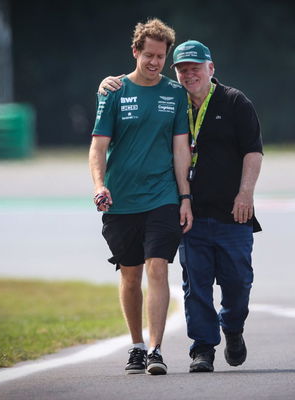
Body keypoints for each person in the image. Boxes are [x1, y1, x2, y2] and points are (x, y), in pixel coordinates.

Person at [98, 40, 263, 373]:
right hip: (187, 212)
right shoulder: (173, 100)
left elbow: (253, 152)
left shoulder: (235, 102)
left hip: (233, 212)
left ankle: (232, 327)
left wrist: (245, 193)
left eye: (196, 68)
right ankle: (202, 348)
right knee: (195, 286)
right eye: (183, 69)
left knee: (237, 284)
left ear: (211, 69)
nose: (190, 75)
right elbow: (138, 91)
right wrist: (106, 84)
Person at [89, 19, 193, 376]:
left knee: (158, 267)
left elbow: (182, 149)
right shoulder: (113, 91)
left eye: (160, 56)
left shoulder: (175, 94)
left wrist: (185, 196)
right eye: (148, 55)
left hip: (162, 196)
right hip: (122, 201)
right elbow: (98, 146)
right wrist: (99, 185)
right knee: (130, 275)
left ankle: (155, 350)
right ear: (135, 52)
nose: (154, 62)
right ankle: (135, 345)